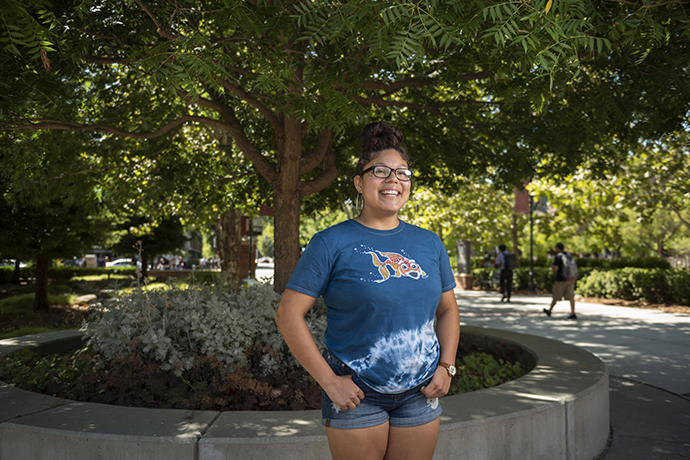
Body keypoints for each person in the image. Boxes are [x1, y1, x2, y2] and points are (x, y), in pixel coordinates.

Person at [275, 122, 460, 460]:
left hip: (420, 394)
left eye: (402, 173)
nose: (393, 180)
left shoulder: (430, 243)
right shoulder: (331, 242)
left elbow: (447, 310)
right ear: (359, 183)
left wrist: (446, 366)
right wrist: (330, 383)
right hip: (357, 394)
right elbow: (288, 313)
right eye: (380, 171)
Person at [543, 242, 578, 319]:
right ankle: (573, 312)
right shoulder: (568, 256)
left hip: (561, 279)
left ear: (558, 248)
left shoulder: (558, 257)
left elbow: (556, 268)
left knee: (556, 296)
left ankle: (550, 310)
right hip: (570, 278)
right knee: (571, 297)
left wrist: (552, 266)